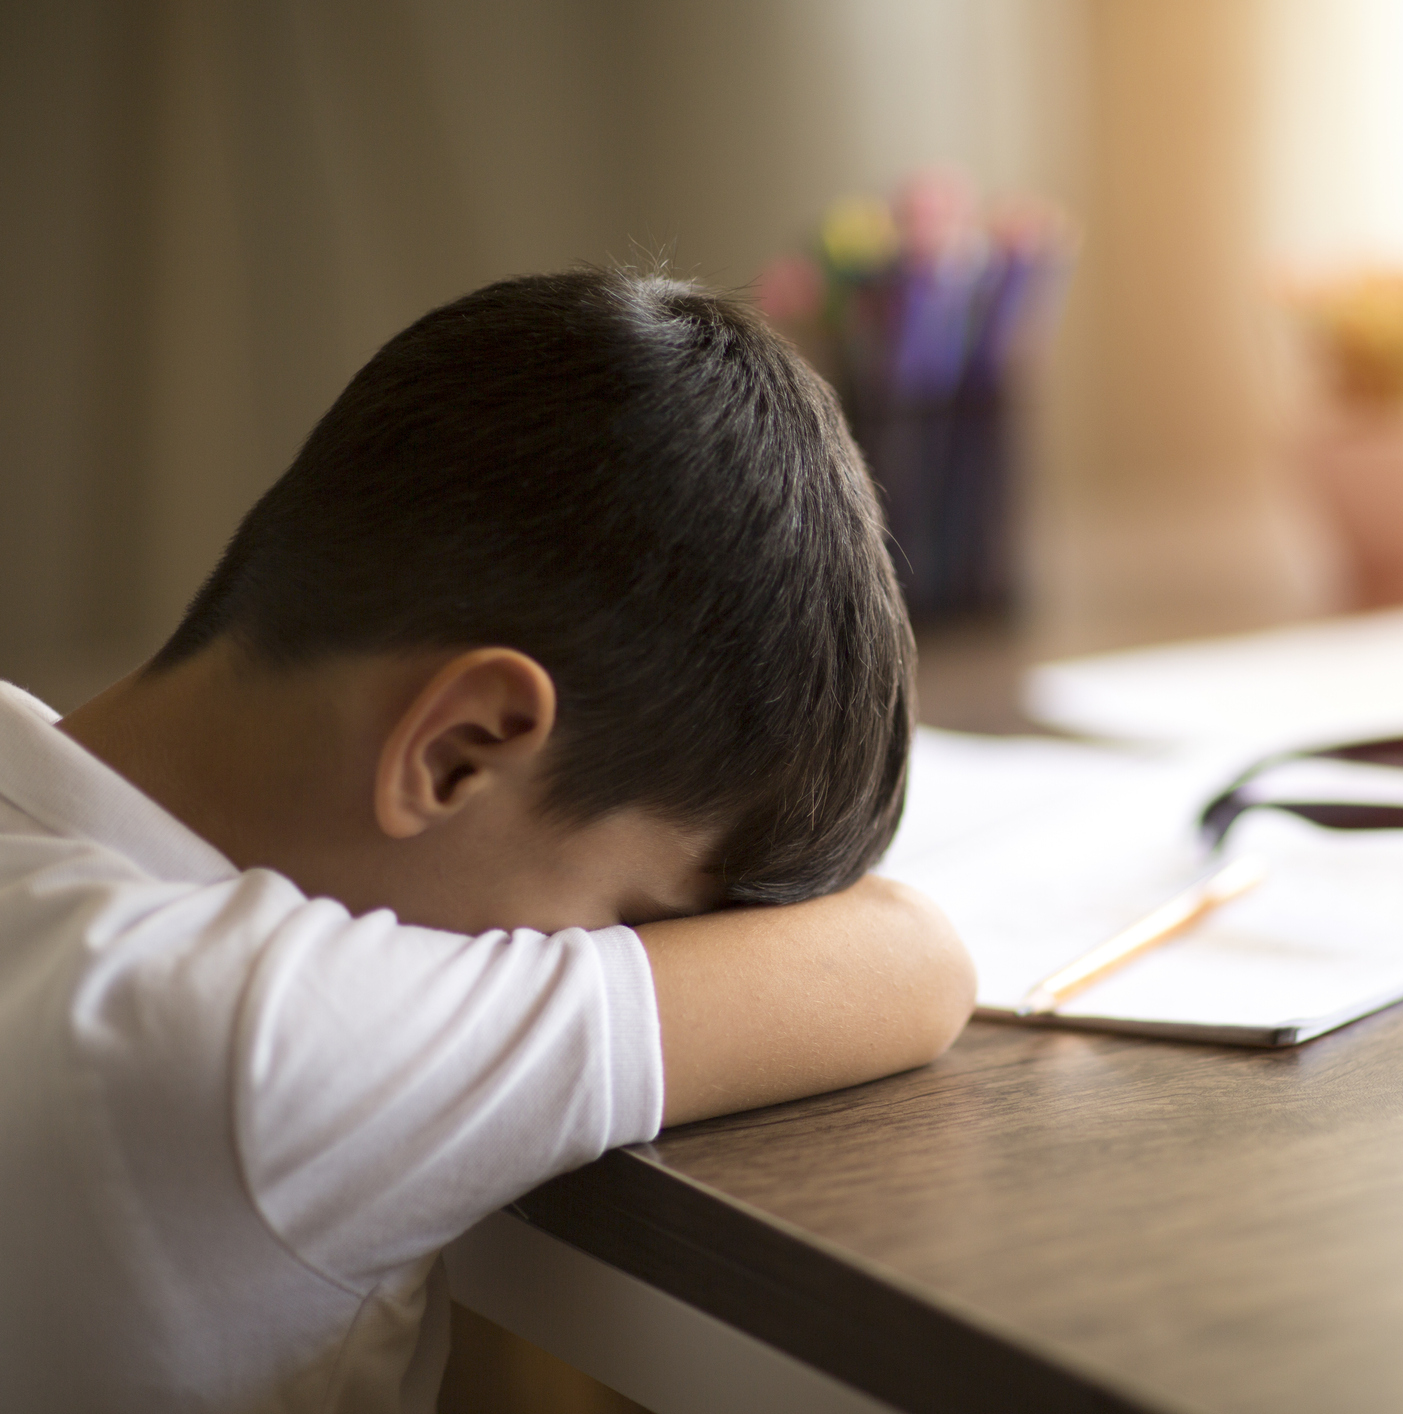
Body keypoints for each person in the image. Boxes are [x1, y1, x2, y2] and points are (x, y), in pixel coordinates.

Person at [0, 269, 976, 1411]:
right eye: (643, 922)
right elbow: (916, 960)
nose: (650, 956)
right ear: (460, 749)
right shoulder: (237, 1046)